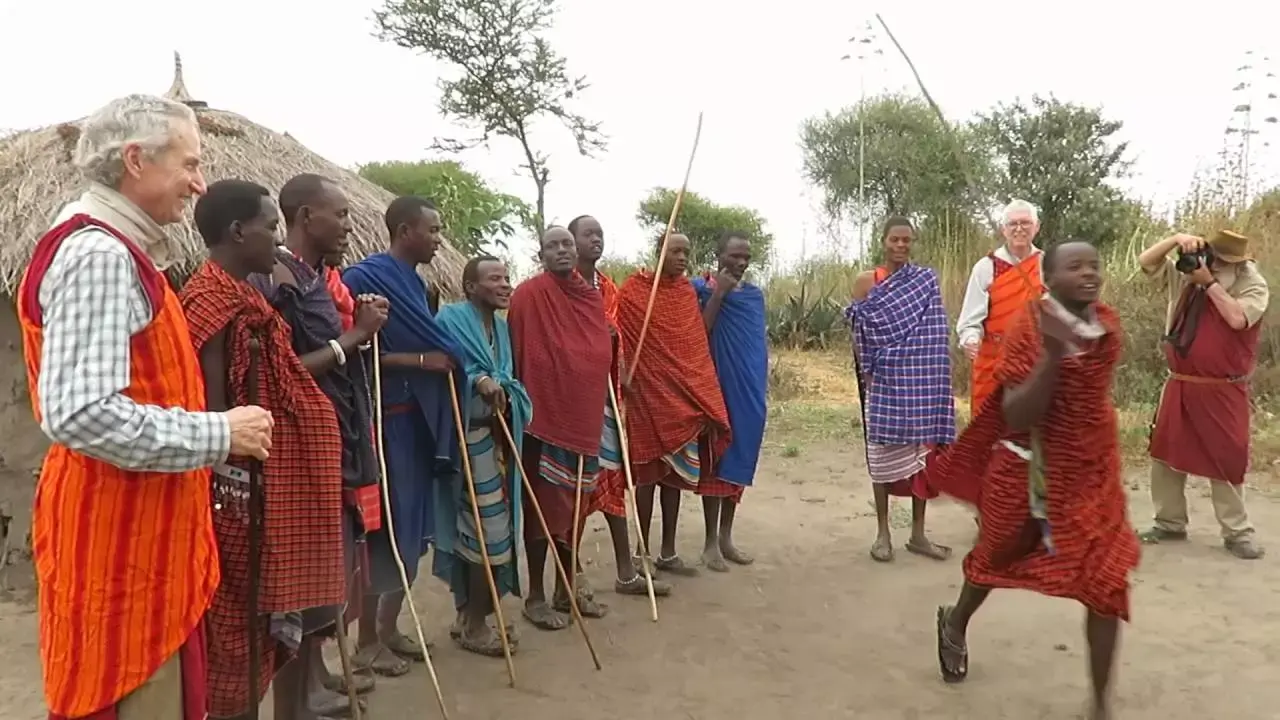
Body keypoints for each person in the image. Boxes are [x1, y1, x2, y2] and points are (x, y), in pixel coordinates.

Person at [17, 95, 273, 720]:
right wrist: (219, 434)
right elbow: (80, 413)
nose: (199, 182)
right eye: (188, 164)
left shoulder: (117, 251)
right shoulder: (99, 257)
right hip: (119, 548)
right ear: (136, 160)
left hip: (140, 544)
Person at [931, 239, 1138, 720]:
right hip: (1026, 468)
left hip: (1090, 474)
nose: (1089, 274)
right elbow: (1018, 412)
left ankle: (1100, 705)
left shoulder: (1105, 323)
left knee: (1107, 581)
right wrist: (1050, 352)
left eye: (1094, 265)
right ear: (1049, 277)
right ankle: (955, 622)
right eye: (1075, 266)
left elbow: (1089, 397)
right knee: (993, 560)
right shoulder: (1028, 326)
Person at [182, 180, 346, 720]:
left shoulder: (250, 295)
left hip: (264, 484)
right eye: (271, 227)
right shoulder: (209, 301)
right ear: (236, 232)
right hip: (234, 493)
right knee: (236, 631)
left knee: (262, 626)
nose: (278, 241)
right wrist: (237, 479)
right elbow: (214, 411)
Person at [248, 173, 387, 716]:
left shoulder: (315, 279)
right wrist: (354, 337)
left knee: (324, 575)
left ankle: (309, 691)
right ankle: (294, 705)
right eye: (342, 214)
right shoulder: (277, 279)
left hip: (332, 441)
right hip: (295, 451)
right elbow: (280, 374)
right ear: (306, 217)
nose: (351, 225)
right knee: (301, 582)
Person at [342, 196, 463, 665]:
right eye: (431, 230)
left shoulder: (416, 284)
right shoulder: (363, 279)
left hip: (419, 422)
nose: (438, 239)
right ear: (404, 230)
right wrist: (420, 360)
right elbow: (353, 354)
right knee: (387, 532)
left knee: (412, 532)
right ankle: (367, 643)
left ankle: (389, 629)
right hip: (386, 422)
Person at [1135, 230, 1270, 559]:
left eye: (1222, 261)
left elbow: (1238, 319)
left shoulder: (1251, 283)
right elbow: (1145, 261)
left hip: (1223, 386)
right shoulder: (1188, 271)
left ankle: (1237, 531)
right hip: (1181, 381)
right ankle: (1169, 522)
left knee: (1228, 455)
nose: (1214, 263)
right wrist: (1175, 239)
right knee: (1165, 453)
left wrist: (1209, 283)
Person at [508, 226, 615, 629]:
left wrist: (609, 342)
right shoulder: (528, 296)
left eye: (566, 244)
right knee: (542, 512)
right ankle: (535, 595)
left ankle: (565, 588)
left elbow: (597, 349)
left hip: (583, 423)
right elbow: (522, 353)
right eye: (552, 246)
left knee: (575, 513)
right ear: (541, 254)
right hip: (544, 424)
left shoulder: (590, 297)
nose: (562, 251)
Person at [569, 214, 673, 599]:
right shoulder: (561, 289)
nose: (596, 240)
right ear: (571, 241)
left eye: (600, 233)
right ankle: (572, 571)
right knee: (576, 489)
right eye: (588, 234)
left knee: (613, 480)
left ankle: (627, 572)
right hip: (572, 407)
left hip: (607, 400)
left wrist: (622, 367)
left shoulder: (608, 288)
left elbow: (620, 340)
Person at [616, 233, 731, 575]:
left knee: (675, 478)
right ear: (658, 253)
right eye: (674, 251)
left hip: (681, 399)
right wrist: (623, 373)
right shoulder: (635, 291)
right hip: (648, 396)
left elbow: (695, 336)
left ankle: (668, 552)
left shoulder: (685, 292)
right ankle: (641, 553)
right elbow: (619, 336)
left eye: (685, 252)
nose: (681, 257)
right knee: (648, 476)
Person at [434, 256, 531, 656]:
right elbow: (444, 371)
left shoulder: (503, 329)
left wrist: (503, 389)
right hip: (464, 443)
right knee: (485, 534)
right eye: (495, 279)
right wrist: (478, 379)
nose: (506, 285)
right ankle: (474, 624)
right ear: (471, 287)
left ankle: (471, 616)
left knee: (493, 532)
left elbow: (504, 375)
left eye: (507, 277)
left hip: (498, 443)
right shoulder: (450, 320)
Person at [847, 218, 956, 563]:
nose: (901, 245)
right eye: (895, 239)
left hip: (920, 382)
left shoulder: (924, 280)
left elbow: (935, 332)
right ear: (883, 241)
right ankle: (883, 533)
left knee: (920, 460)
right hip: (881, 380)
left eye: (906, 240)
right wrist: (866, 371)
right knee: (880, 456)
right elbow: (860, 330)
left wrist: (934, 374)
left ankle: (918, 534)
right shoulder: (867, 281)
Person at [692, 231, 768, 571]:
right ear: (719, 254)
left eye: (745, 257)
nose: (740, 263)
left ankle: (726, 536)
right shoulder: (699, 290)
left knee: (739, 460)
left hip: (749, 389)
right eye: (734, 256)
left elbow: (756, 346)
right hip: (717, 386)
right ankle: (710, 543)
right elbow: (698, 333)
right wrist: (718, 295)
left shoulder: (754, 297)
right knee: (717, 459)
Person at [956, 199, 1046, 415]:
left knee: (1031, 434)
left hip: (1034, 362)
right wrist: (969, 339)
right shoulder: (986, 267)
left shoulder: (1048, 265)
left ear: (1037, 227)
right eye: (1012, 224)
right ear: (1003, 229)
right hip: (993, 363)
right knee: (989, 434)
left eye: (1025, 223)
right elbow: (970, 321)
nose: (1019, 229)